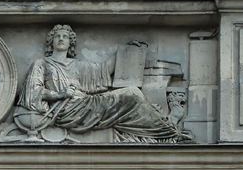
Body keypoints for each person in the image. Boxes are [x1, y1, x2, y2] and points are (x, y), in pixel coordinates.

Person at [15, 24, 192, 143]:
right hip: (66, 110)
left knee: (134, 94)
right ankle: (168, 132)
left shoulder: (77, 65)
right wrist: (61, 94)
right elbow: (33, 92)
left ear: (70, 43)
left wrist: (126, 52)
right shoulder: (42, 63)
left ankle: (165, 128)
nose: (61, 39)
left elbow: (101, 72)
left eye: (65, 37)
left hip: (84, 104)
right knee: (131, 95)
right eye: (57, 36)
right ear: (51, 42)